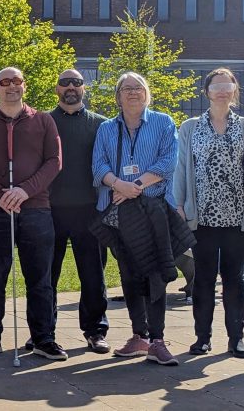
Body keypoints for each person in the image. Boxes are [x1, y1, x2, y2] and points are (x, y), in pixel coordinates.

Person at [0, 67, 65, 361]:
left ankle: (43, 337)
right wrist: (0, 195)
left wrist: (23, 191)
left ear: (25, 86)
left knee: (40, 279)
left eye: (16, 81)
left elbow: (54, 162)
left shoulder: (44, 121)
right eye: (4, 82)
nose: (11, 87)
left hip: (36, 210)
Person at [90, 71, 187, 367]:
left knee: (155, 275)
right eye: (126, 88)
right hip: (119, 213)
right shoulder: (107, 128)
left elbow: (169, 161)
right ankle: (138, 336)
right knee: (129, 274)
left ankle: (157, 340)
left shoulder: (162, 122)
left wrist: (136, 186)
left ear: (147, 94)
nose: (133, 93)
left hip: (153, 209)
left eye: (138, 88)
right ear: (118, 96)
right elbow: (98, 165)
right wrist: (119, 185)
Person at [174, 68, 244, 359]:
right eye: (217, 85)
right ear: (207, 91)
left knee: (234, 277)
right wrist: (179, 205)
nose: (223, 90)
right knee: (203, 277)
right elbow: (181, 168)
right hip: (201, 217)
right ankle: (202, 338)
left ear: (235, 91)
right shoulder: (190, 127)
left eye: (229, 85)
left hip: (237, 216)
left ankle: (236, 338)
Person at [47, 68, 112, 354]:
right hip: (49, 210)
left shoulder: (102, 124)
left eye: (76, 82)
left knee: (93, 274)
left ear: (84, 88)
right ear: (57, 89)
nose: (71, 87)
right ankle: (43, 331)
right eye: (65, 83)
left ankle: (96, 330)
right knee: (46, 275)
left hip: (91, 210)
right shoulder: (43, 122)